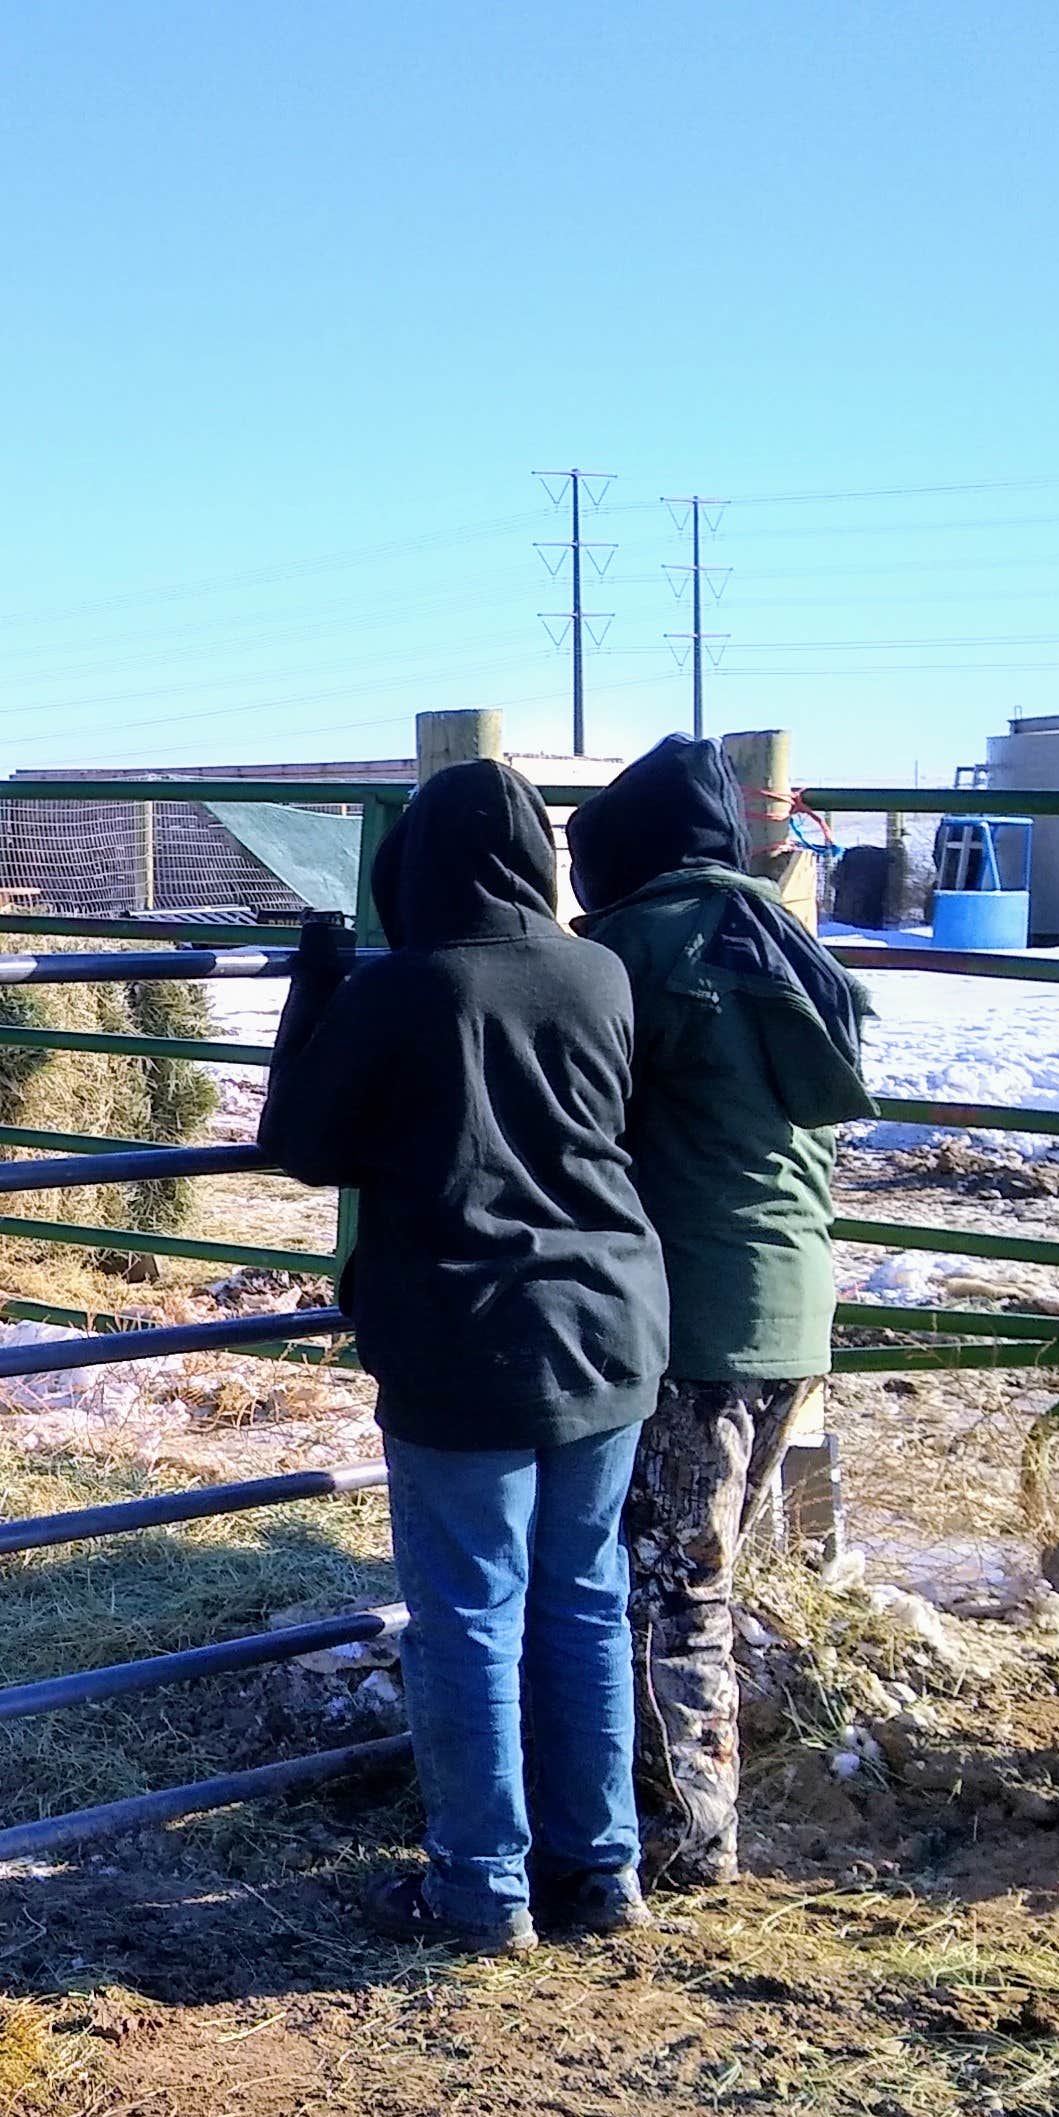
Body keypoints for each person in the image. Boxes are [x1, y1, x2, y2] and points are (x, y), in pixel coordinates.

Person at [263, 759, 670, 1953]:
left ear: (416, 868)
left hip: (464, 1338)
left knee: (468, 1611)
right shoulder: (597, 972)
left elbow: (301, 1143)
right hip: (608, 1322)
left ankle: (479, 1885)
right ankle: (599, 1869)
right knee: (584, 1599)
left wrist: (319, 990)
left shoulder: (410, 990)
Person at [565, 734, 873, 1890]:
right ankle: (679, 1819)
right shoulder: (780, 935)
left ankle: (680, 1843)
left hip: (694, 1316)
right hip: (793, 1305)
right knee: (704, 1569)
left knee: (669, 1588)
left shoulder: (641, 946)